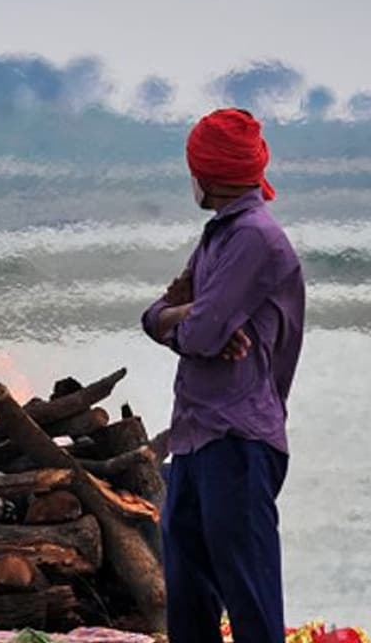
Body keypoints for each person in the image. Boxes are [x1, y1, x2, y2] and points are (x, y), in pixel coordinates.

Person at [141, 108, 305, 643]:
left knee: (251, 605)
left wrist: (190, 320)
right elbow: (155, 316)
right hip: (194, 437)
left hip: (238, 442)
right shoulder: (219, 237)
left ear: (204, 172)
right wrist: (189, 314)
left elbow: (199, 335)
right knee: (189, 607)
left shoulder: (255, 237)